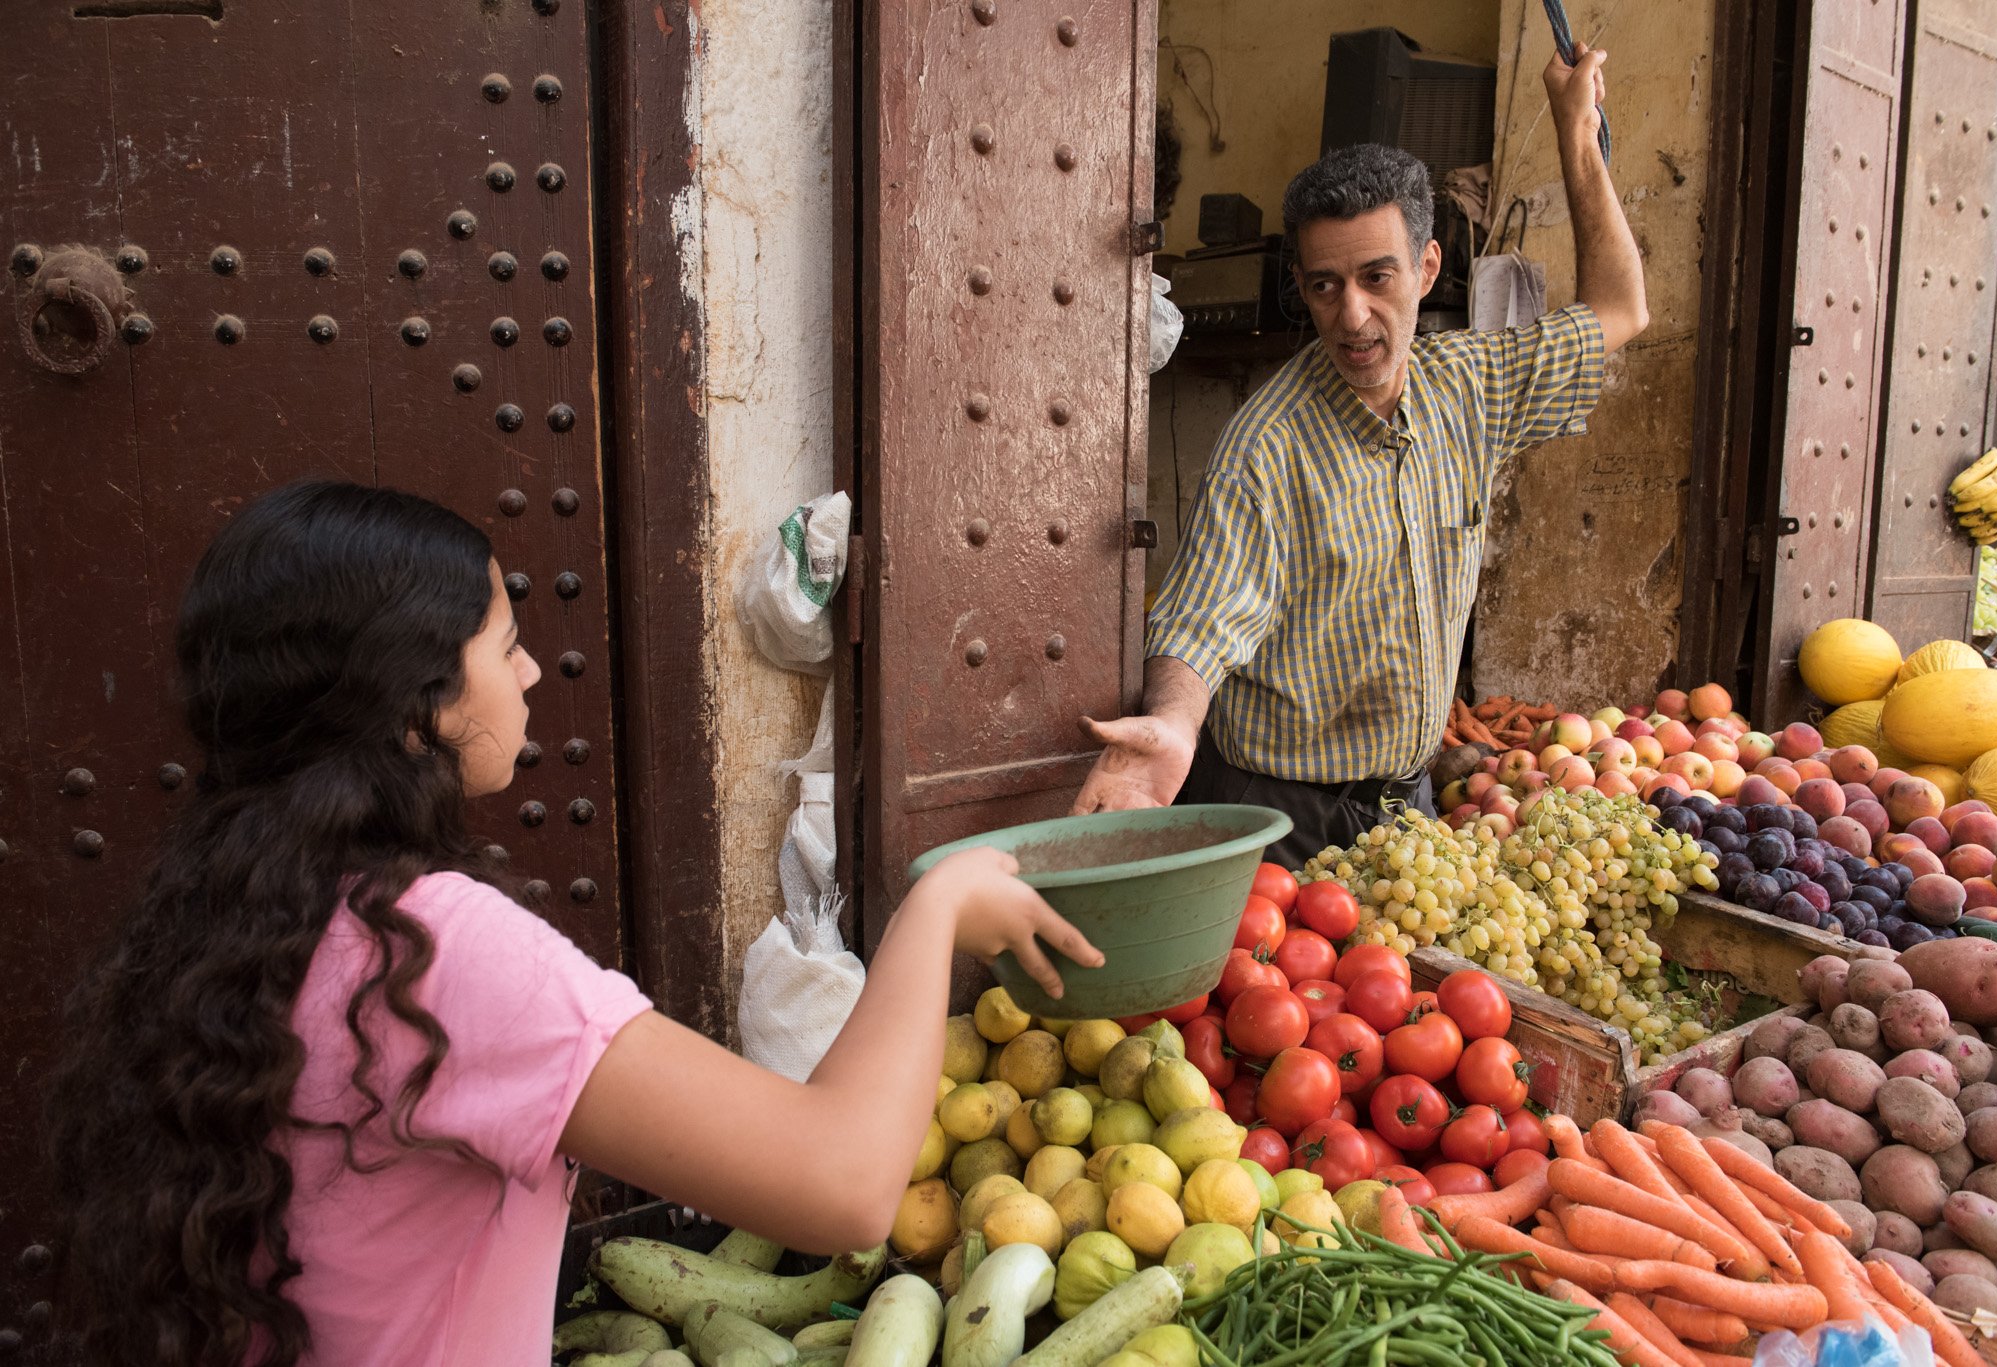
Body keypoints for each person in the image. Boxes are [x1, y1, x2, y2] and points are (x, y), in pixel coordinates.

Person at [43, 481, 1101, 1367]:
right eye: (502, 644)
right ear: (418, 708)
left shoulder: (230, 917)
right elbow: (845, 1184)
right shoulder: (434, 950)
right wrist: (937, 903)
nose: (529, 670)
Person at [1073, 43, 1649, 870]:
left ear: (1426, 267)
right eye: (1323, 286)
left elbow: (1620, 306)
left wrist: (1576, 132)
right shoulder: (1265, 450)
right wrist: (1170, 724)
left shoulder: (1472, 384)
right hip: (1271, 814)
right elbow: (1201, 625)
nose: (1352, 316)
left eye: (1378, 278)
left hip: (1403, 805)